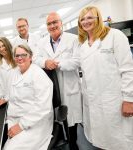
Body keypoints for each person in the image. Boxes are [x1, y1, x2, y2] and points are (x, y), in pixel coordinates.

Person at [78, 6, 133, 150]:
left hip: (115, 101)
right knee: (102, 140)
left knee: (120, 140)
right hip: (94, 103)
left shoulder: (114, 36)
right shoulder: (83, 47)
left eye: (90, 17)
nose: (86, 21)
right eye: (82, 19)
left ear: (98, 19)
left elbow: (128, 70)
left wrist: (129, 99)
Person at [35, 12, 82, 150]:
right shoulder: (42, 42)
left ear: (61, 23)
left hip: (69, 85)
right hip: (52, 86)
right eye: (49, 23)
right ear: (46, 26)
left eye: (55, 22)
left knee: (71, 120)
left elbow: (77, 61)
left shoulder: (74, 39)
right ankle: (61, 140)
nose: (52, 25)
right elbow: (36, 59)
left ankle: (73, 144)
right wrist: (45, 62)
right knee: (56, 117)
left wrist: (57, 64)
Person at [2, 44, 53, 150]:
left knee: (10, 148)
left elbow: (43, 107)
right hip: (16, 118)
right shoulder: (15, 72)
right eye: (17, 56)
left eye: (23, 55)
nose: (19, 58)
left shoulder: (38, 75)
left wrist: (21, 126)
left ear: (30, 57)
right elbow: (13, 92)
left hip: (35, 122)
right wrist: (5, 99)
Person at [0, 37, 16, 108]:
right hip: (6, 99)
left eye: (3, 45)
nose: (1, 49)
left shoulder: (17, 59)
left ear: (7, 45)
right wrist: (2, 97)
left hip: (21, 96)